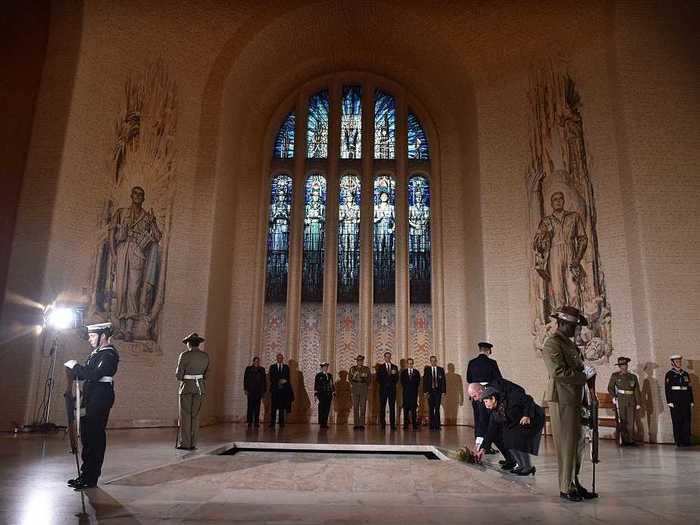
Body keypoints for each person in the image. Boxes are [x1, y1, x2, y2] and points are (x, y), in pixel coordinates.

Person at [542, 306, 597, 502]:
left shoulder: (570, 345)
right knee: (566, 444)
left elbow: (578, 367)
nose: (576, 330)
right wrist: (583, 376)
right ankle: (565, 487)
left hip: (575, 399)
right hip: (562, 399)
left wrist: (587, 373)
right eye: (573, 326)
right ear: (562, 323)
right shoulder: (552, 343)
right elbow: (558, 373)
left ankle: (574, 482)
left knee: (577, 444)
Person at [65, 322, 119, 490]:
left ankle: (91, 477)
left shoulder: (108, 354)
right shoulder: (96, 353)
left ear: (104, 336)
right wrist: (75, 371)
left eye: (93, 336)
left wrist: (76, 367)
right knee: (87, 436)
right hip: (91, 397)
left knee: (95, 437)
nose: (89, 339)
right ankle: (85, 474)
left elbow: (95, 374)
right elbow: (85, 374)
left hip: (100, 397)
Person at [111, 186, 162, 341]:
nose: (138, 196)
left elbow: (158, 236)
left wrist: (153, 222)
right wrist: (113, 255)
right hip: (121, 250)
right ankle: (120, 328)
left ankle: (129, 329)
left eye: (141, 194)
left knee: (133, 290)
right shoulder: (121, 212)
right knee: (121, 289)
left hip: (137, 252)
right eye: (136, 194)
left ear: (144, 198)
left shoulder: (147, 216)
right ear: (131, 195)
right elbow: (111, 234)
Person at [532, 191, 588, 311]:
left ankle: (575, 322)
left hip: (570, 252)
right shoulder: (546, 221)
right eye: (555, 199)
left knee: (573, 289)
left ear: (564, 201)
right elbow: (537, 244)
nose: (558, 201)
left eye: (560, 199)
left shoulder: (574, 216)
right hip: (553, 254)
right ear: (551, 203)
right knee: (557, 291)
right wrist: (544, 235)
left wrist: (578, 258)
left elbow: (583, 239)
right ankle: (562, 324)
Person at [474, 385, 544, 476]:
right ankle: (521, 466)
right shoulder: (494, 413)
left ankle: (528, 467)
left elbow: (528, 399)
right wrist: (483, 449)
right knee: (507, 440)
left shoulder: (510, 399)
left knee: (518, 441)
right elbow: (490, 431)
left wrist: (527, 415)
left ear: (493, 399)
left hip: (532, 417)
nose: (486, 405)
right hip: (516, 422)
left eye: (486, 401)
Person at [175, 332, 209, 450]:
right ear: (198, 344)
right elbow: (207, 374)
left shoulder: (184, 355)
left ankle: (185, 443)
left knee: (185, 416)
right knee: (195, 416)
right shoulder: (205, 356)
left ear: (189, 343)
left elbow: (179, 376)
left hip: (186, 388)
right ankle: (193, 443)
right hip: (200, 388)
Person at [467, 341, 502, 451]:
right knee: (487, 421)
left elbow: (468, 378)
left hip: (475, 395)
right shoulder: (492, 363)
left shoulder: (472, 362)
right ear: (488, 350)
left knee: (478, 420)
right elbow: (498, 379)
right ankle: (486, 447)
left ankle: (478, 445)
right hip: (487, 394)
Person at [607, 357, 641, 446]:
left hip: (631, 399)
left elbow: (636, 390)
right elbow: (610, 387)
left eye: (625, 365)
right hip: (620, 400)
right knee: (622, 421)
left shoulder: (633, 377)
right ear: (619, 366)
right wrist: (613, 397)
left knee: (631, 420)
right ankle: (624, 440)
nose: (623, 367)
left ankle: (631, 440)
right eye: (621, 365)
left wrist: (638, 402)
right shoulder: (615, 376)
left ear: (627, 365)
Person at [665, 354, 694, 447]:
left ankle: (686, 440)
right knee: (677, 420)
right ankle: (679, 440)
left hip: (685, 399)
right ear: (672, 363)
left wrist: (691, 400)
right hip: (675, 399)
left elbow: (689, 388)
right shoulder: (669, 374)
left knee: (686, 419)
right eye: (677, 361)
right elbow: (667, 388)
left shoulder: (685, 374)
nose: (679, 363)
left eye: (680, 361)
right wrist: (669, 401)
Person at [269, 353, 293, 428]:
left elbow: (288, 378)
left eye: (281, 358)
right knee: (273, 407)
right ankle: (272, 423)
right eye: (278, 358)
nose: (280, 359)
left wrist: (285, 381)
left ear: (282, 359)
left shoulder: (286, 367)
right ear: (276, 358)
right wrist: (279, 381)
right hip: (275, 390)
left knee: (282, 407)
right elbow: (271, 378)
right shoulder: (272, 367)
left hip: (283, 390)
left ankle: (281, 423)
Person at [376, 351, 399, 430]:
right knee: (382, 407)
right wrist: (385, 383)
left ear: (390, 357)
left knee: (392, 407)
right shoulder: (380, 367)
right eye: (386, 357)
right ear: (384, 357)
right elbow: (378, 379)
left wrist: (393, 375)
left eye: (389, 356)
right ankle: (383, 424)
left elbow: (397, 378)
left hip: (392, 390)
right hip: (383, 390)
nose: (388, 358)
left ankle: (392, 425)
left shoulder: (394, 367)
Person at [423, 355, 446, 430]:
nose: (433, 362)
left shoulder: (440, 369)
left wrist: (443, 391)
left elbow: (443, 381)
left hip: (438, 392)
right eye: (432, 361)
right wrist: (425, 391)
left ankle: (437, 425)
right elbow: (425, 381)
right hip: (430, 392)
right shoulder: (427, 370)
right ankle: (431, 425)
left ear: (436, 361)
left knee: (437, 408)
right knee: (431, 408)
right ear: (430, 361)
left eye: (434, 360)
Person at [244, 357, 266, 428]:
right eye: (255, 361)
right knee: (250, 407)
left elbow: (264, 381)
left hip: (258, 391)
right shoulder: (248, 368)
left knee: (257, 407)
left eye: (258, 361)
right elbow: (245, 379)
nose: (257, 362)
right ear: (253, 362)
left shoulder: (262, 369)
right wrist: (246, 389)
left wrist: (263, 391)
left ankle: (256, 422)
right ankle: (249, 422)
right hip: (250, 391)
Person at [349, 355, 370, 429]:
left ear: (363, 361)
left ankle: (361, 424)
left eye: (361, 360)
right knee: (355, 407)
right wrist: (356, 380)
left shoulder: (366, 369)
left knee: (363, 407)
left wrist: (363, 379)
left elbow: (369, 379)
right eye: (358, 360)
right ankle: (356, 424)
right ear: (356, 361)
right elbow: (350, 379)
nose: (360, 362)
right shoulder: (352, 369)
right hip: (355, 389)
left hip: (363, 389)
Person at [400, 358, 421, 430]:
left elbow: (418, 382)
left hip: (414, 393)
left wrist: (413, 389)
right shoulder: (403, 372)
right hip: (406, 393)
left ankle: (414, 425)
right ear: (407, 364)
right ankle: (405, 425)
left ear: (413, 364)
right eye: (409, 363)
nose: (410, 365)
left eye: (411, 363)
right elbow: (402, 383)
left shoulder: (416, 372)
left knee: (413, 410)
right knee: (406, 410)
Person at [314, 362, 335, 429]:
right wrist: (315, 394)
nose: (325, 368)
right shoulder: (318, 375)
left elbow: (332, 384)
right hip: (321, 394)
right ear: (322, 367)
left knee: (327, 409)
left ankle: (325, 423)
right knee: (322, 408)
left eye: (326, 367)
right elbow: (316, 385)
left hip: (328, 394)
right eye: (324, 367)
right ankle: (321, 423)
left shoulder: (330, 375)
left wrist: (334, 392)